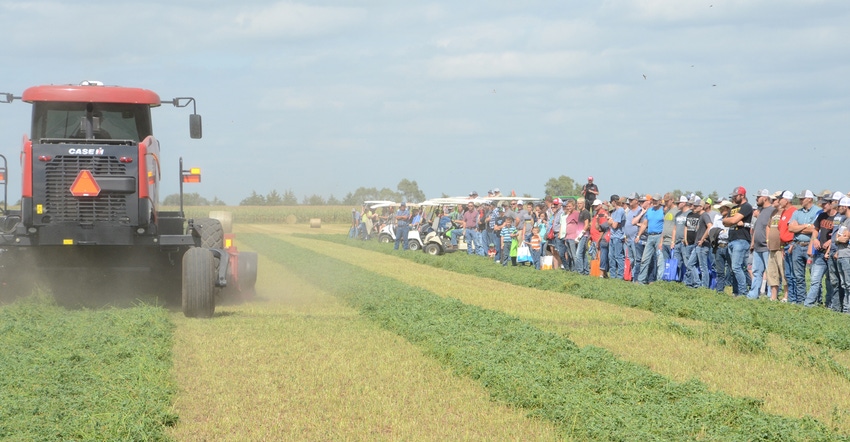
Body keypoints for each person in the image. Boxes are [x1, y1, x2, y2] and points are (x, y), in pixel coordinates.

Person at [805, 192, 838, 307]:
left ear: (832, 203)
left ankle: (829, 304)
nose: (823, 206)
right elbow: (815, 230)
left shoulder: (838, 217)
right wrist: (815, 239)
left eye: (825, 204)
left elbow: (838, 233)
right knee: (815, 280)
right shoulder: (821, 216)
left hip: (831, 254)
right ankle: (808, 304)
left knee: (830, 281)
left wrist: (831, 241)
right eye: (822, 203)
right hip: (819, 253)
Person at [787, 190, 818, 305]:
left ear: (809, 199)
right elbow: (790, 228)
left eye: (802, 198)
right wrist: (806, 225)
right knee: (798, 276)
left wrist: (799, 227)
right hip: (797, 246)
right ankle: (801, 300)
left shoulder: (817, 211)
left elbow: (815, 229)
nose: (800, 200)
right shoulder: (797, 212)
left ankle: (815, 300)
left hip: (810, 246)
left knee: (814, 276)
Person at [723, 186, 754, 296]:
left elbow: (733, 220)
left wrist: (731, 221)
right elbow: (725, 221)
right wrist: (730, 221)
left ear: (742, 195)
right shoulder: (733, 208)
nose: (734, 198)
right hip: (731, 239)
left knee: (737, 267)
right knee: (733, 268)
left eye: (735, 196)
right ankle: (735, 291)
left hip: (741, 240)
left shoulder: (746, 207)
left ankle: (742, 292)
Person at [748, 189, 775, 299]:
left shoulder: (772, 211)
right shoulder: (761, 211)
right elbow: (757, 228)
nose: (756, 199)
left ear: (765, 198)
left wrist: (769, 242)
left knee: (770, 272)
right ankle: (753, 294)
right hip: (758, 247)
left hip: (766, 247)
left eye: (758, 197)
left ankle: (770, 295)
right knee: (756, 271)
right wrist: (753, 242)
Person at [686, 197, 713, 288]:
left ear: (701, 207)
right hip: (698, 245)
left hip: (703, 245)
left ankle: (704, 287)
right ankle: (697, 283)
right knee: (690, 264)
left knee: (703, 267)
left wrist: (702, 239)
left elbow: (710, 226)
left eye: (696, 206)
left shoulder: (705, 215)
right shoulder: (701, 216)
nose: (694, 208)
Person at [637, 194, 664, 284]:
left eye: (656, 200)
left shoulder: (663, 211)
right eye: (653, 200)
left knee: (659, 260)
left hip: (659, 236)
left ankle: (659, 281)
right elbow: (645, 224)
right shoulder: (649, 211)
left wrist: (662, 239)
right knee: (645, 259)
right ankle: (641, 280)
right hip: (650, 236)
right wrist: (638, 235)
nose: (655, 202)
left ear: (660, 201)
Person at [776, 191, 798, 302]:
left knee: (794, 274)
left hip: (791, 245)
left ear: (787, 200)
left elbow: (794, 230)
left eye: (781, 199)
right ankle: (791, 298)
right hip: (784, 245)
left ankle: (796, 298)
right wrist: (781, 246)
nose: (779, 201)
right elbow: (781, 230)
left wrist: (792, 243)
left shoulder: (794, 212)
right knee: (788, 274)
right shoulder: (784, 212)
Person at [832, 197, 850, 313]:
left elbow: (844, 239)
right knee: (844, 284)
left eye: (839, 206)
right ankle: (846, 308)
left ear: (845, 206)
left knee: (848, 283)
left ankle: (848, 309)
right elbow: (837, 238)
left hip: (847, 254)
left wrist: (840, 238)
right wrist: (839, 238)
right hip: (841, 254)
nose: (838, 209)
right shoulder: (844, 221)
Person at [712, 201, 734, 294]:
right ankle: (720, 290)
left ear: (728, 209)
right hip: (719, 245)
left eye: (722, 208)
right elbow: (713, 231)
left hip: (728, 245)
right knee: (720, 271)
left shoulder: (732, 220)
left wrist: (720, 232)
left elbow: (727, 234)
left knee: (732, 269)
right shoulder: (718, 220)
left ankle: (735, 290)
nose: (720, 210)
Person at [765, 193, 784, 301]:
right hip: (772, 247)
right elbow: (768, 226)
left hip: (780, 247)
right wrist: (768, 239)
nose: (772, 201)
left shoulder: (785, 212)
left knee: (783, 272)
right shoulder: (773, 212)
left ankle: (786, 296)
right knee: (772, 273)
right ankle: (773, 296)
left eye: (774, 199)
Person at [608, 195, 626, 279]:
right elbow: (610, 223)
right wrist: (611, 221)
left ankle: (620, 276)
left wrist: (611, 221)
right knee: (611, 256)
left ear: (614, 201)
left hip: (618, 237)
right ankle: (612, 275)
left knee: (618, 256)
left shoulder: (620, 211)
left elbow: (615, 225)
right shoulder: (614, 211)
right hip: (612, 236)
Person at [576, 198, 592, 275]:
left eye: (580, 203)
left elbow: (586, 224)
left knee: (578, 254)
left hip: (583, 235)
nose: (579, 205)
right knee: (582, 254)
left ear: (584, 204)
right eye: (578, 203)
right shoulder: (580, 212)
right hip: (580, 235)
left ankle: (580, 271)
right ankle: (586, 271)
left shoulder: (585, 213)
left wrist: (580, 235)